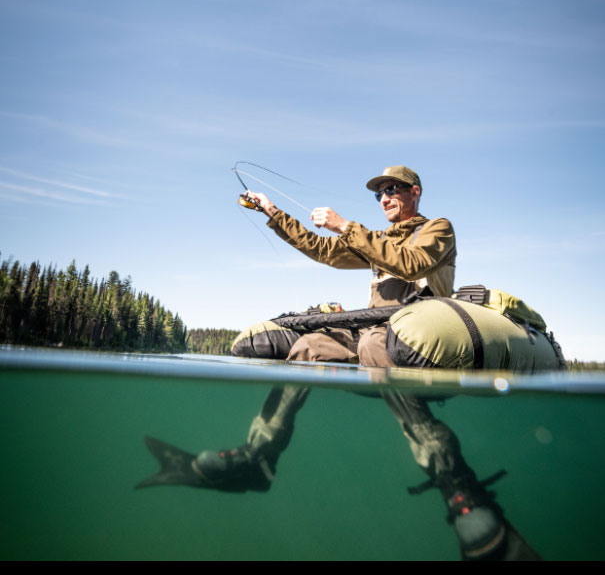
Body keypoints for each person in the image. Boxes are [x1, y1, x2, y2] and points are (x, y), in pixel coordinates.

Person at [138, 166, 539, 560]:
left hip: (409, 336)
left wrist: (346, 224)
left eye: (393, 189)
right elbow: (323, 249)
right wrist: (272, 213)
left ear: (415, 192)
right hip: (371, 330)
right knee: (310, 346)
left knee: (373, 348)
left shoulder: (438, 228)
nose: (384, 197)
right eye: (379, 192)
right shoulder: (376, 237)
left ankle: (456, 482)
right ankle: (258, 458)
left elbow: (412, 264)